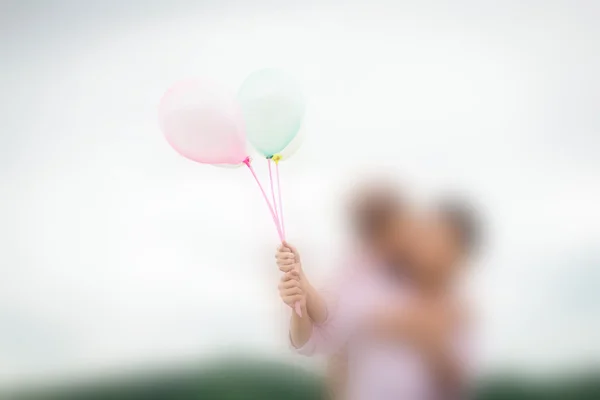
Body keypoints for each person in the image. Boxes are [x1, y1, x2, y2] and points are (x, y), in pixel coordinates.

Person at [277, 193, 479, 400]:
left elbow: (456, 381)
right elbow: (318, 336)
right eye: (425, 238)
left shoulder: (459, 310)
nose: (427, 248)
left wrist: (431, 343)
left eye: (440, 242)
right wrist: (301, 297)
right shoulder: (372, 283)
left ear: (458, 256)